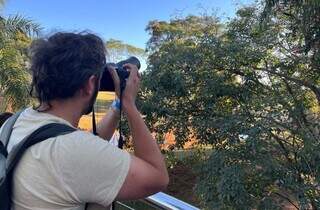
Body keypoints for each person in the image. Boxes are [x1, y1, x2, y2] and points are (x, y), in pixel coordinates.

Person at [1, 32, 169, 210]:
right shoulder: (72, 150)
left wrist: (118, 105)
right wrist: (129, 105)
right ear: (90, 85)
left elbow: (87, 144)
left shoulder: (17, 121)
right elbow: (158, 177)